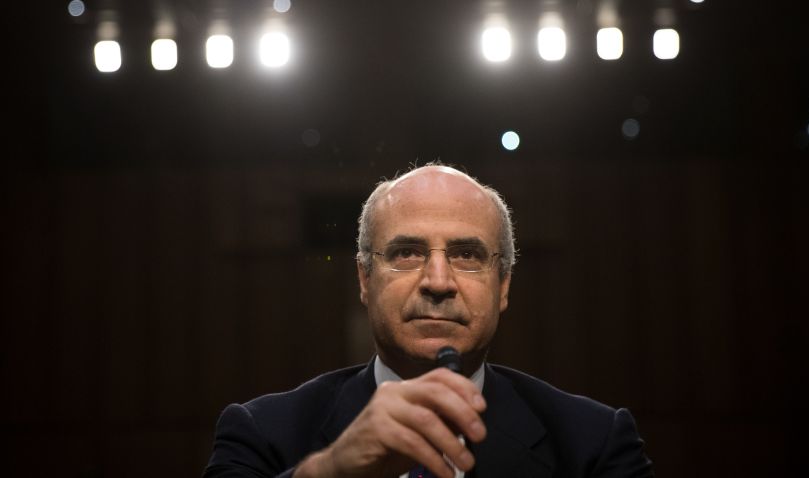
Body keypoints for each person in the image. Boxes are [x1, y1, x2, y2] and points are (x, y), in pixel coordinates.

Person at [204, 164, 654, 478]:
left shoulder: (595, 443)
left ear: (504, 287)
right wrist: (330, 471)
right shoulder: (262, 433)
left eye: (466, 255)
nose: (438, 281)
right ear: (365, 279)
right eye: (406, 253)